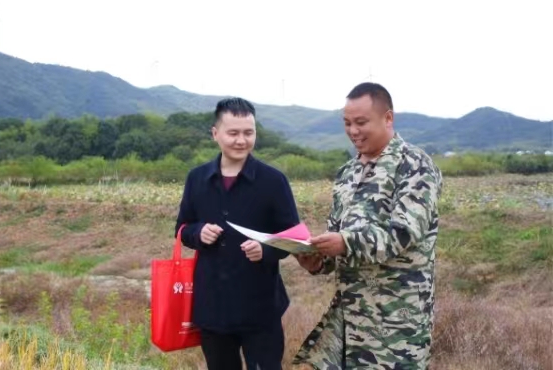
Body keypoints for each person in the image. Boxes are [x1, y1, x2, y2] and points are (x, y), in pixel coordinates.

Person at [292, 82, 443, 369]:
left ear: (388, 118)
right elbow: (337, 235)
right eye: (347, 123)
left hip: (395, 323)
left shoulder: (414, 165)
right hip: (350, 317)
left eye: (361, 122)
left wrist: (345, 242)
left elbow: (403, 233)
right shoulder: (347, 173)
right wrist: (317, 260)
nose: (353, 131)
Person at [175, 97, 300, 370]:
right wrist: (198, 232)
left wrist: (265, 250)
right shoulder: (197, 178)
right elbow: (182, 229)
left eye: (248, 133)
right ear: (215, 133)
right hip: (213, 305)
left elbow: (294, 238)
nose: (241, 140)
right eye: (233, 133)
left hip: (260, 307)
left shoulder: (273, 181)